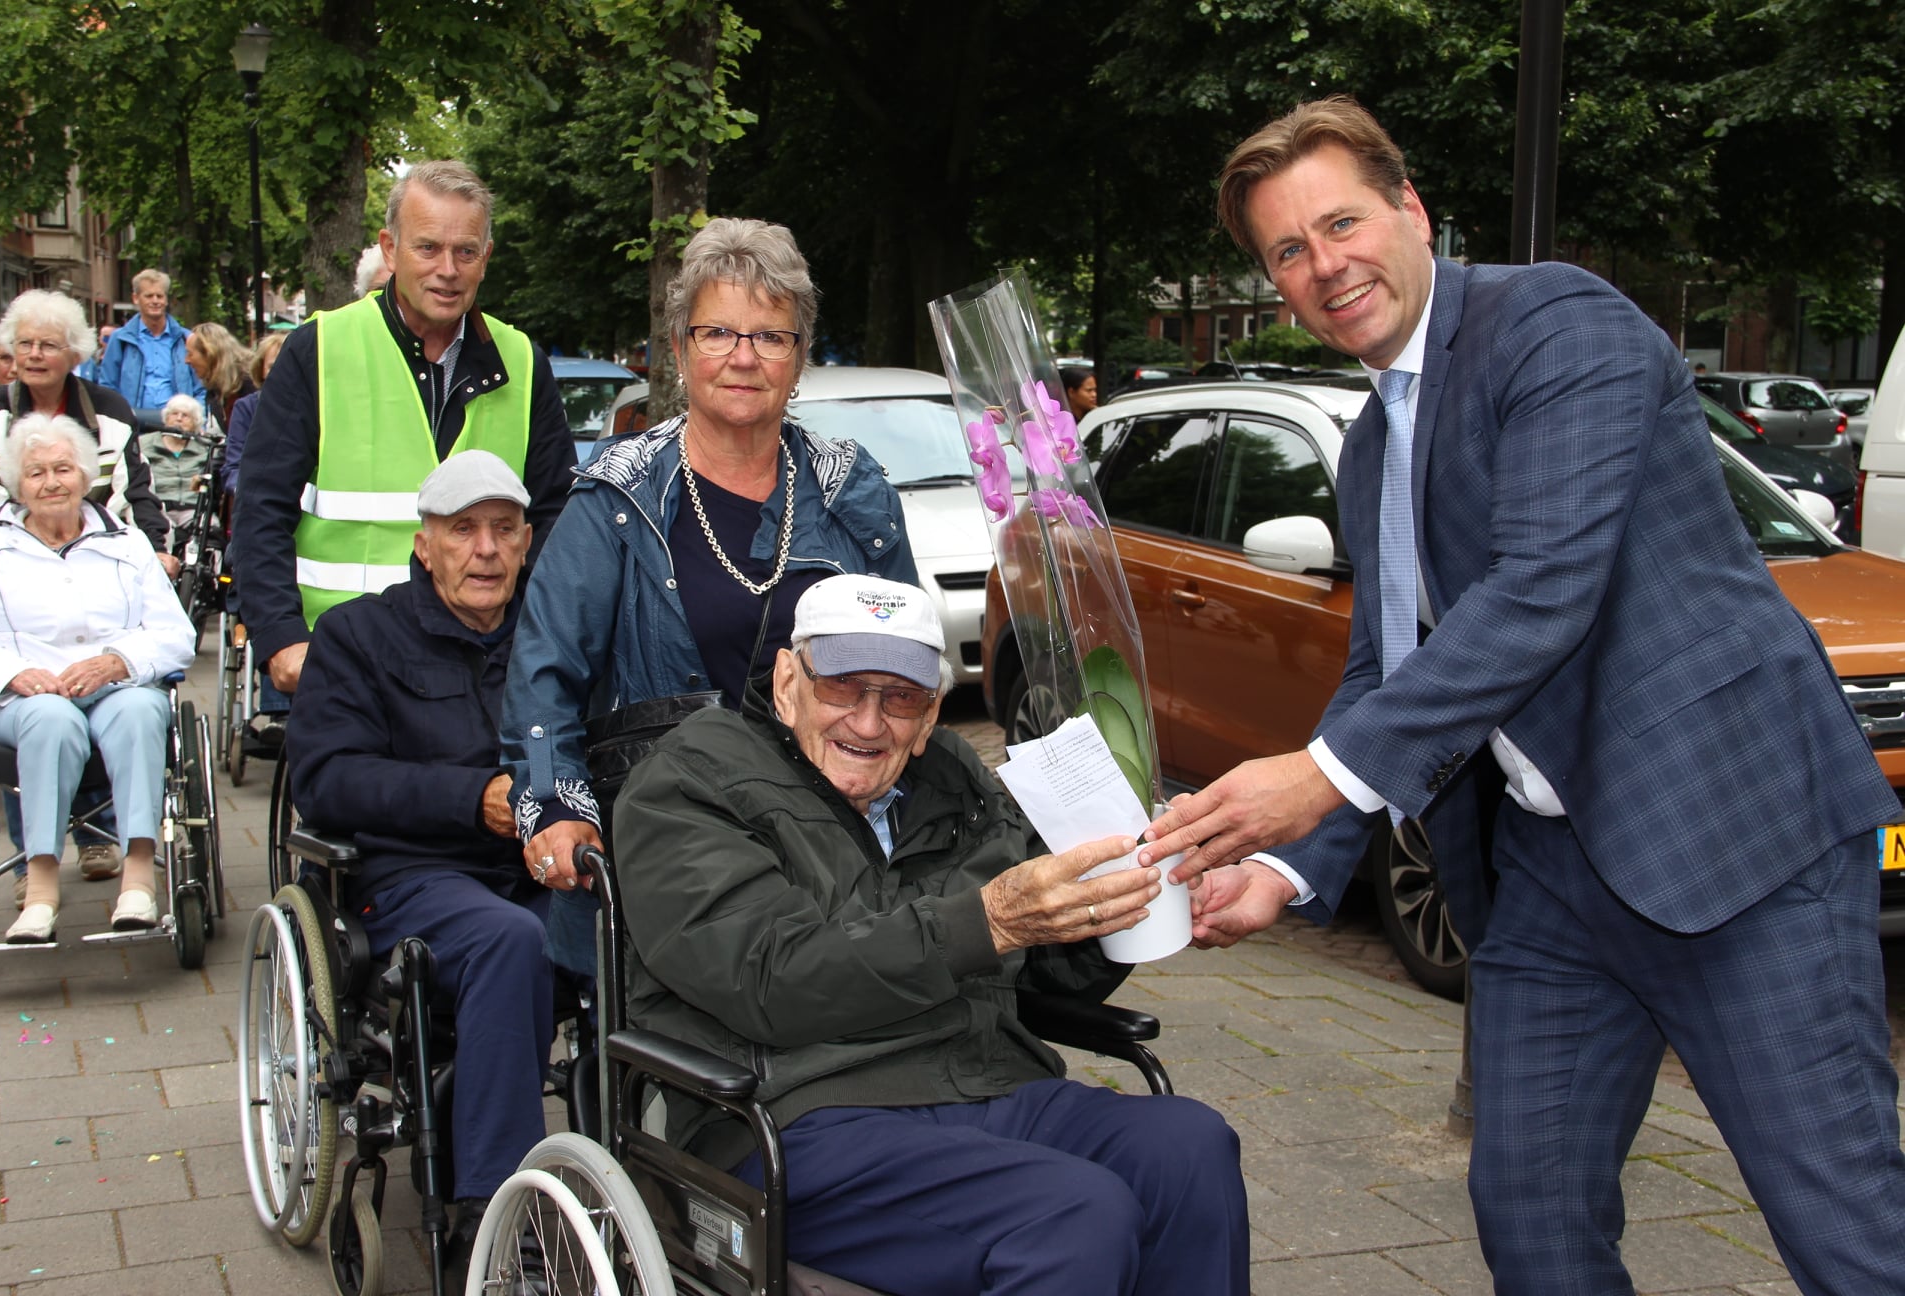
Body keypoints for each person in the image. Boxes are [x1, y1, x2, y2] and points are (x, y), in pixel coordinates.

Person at [1143, 95, 1905, 1295]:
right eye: (1287, 251)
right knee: (1529, 1219)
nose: (1325, 264)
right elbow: (1388, 670)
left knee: (1843, 1229)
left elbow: (1546, 587)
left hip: (1737, 845)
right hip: (1548, 883)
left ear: (1413, 212)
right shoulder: (1368, 447)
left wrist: (1312, 781)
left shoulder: (1552, 320)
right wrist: (1293, 866)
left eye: (1342, 223)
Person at [611, 574, 1247, 1295]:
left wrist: (1120, 909)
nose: (869, 722)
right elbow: (772, 977)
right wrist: (988, 920)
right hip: (799, 1114)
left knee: (1190, 1147)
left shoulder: (956, 780)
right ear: (788, 679)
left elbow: (1029, 973)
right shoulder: (693, 783)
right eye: (843, 687)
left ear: (932, 712)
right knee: (1072, 1214)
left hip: (986, 1084)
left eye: (901, 697)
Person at [501, 216, 915, 981]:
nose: (744, 358)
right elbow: (543, 675)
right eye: (718, 332)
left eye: (771, 336)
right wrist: (557, 810)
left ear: (800, 357)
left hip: (832, 843)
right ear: (681, 347)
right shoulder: (618, 496)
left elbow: (907, 659)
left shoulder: (849, 487)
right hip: (673, 845)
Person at [289, 451, 551, 1284]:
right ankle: (488, 1212)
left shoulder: (551, 636)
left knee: (637, 922)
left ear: (526, 542)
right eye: (463, 531)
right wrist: (468, 797)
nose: (485, 550)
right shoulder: (359, 636)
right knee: (509, 941)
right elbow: (325, 782)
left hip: (536, 867)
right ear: (424, 544)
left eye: (502, 531)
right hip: (409, 879)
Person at [233, 159, 572, 701]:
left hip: (482, 664)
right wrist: (281, 639)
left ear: (485, 258)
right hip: (346, 661)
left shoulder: (523, 362)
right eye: (428, 248)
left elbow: (553, 514)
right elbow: (260, 508)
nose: (448, 269)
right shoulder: (319, 349)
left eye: (466, 251)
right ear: (390, 250)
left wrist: (530, 639)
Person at [0, 414, 195, 942]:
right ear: (17, 482)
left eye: (63, 468)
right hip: (23, 698)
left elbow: (175, 635)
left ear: (86, 475)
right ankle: (41, 884)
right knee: (49, 719)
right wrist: (16, 674)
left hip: (114, 687)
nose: (51, 482)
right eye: (36, 471)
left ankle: (138, 874)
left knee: (141, 710)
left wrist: (115, 661)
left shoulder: (127, 541)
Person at [0, 291, 173, 570]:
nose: (34, 355)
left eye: (48, 345)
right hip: (6, 559)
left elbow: (137, 494)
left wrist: (155, 551)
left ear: (75, 355)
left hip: (97, 558)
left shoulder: (110, 411)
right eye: (25, 344)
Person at [97, 269, 206, 419]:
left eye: (160, 296)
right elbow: (107, 387)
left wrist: (199, 420)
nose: (155, 301)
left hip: (178, 426)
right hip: (134, 425)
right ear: (136, 298)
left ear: (166, 300)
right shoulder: (120, 339)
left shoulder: (185, 339)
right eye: (148, 296)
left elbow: (200, 389)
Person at [222, 330, 286, 495]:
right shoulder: (245, 408)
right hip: (257, 497)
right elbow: (233, 468)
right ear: (261, 370)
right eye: (272, 366)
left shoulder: (312, 407)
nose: (280, 373)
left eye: (287, 366)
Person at [145, 394, 211, 538]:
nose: (179, 419)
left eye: (185, 416)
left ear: (195, 423)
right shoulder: (144, 444)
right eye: (174, 414)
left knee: (211, 530)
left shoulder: (205, 448)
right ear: (166, 418)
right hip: (158, 508)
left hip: (193, 509)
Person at [183, 321, 255, 431]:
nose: (186, 360)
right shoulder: (215, 391)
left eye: (190, 354)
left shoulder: (253, 386)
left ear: (209, 354)